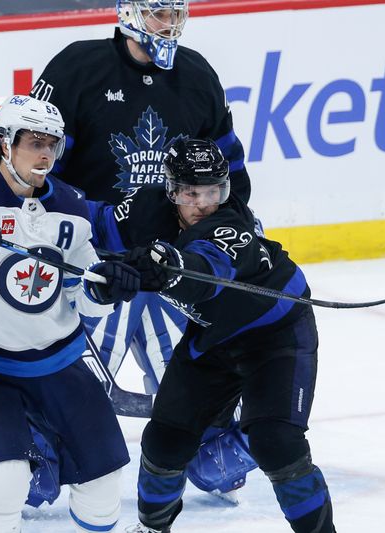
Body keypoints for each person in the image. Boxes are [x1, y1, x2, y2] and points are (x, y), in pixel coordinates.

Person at [29, 0, 256, 503]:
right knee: (65, 363)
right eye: (159, 13)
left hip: (170, 261)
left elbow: (229, 169)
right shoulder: (76, 67)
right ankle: (40, 449)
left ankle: (209, 441)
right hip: (92, 256)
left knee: (200, 355)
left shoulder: (197, 74)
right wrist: (42, 228)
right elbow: (35, 160)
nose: (170, 24)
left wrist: (232, 228)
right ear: (129, 13)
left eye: (177, 13)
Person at [0, 95, 141, 533]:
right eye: (34, 141)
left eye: (52, 144)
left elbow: (80, 287)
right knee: (4, 482)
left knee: (104, 483)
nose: (44, 154)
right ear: (4, 142)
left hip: (57, 359)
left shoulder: (73, 203)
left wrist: (107, 288)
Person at [88, 138, 335, 532]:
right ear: (171, 190)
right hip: (214, 336)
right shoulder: (146, 208)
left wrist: (168, 267)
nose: (204, 203)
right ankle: (152, 529)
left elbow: (206, 272)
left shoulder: (231, 224)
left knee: (276, 443)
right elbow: (90, 223)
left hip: (276, 336)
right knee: (164, 442)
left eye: (214, 191)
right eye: (191, 192)